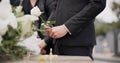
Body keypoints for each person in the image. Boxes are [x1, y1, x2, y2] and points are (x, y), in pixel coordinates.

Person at [40, 0, 106, 60]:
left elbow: (98, 3)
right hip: (58, 44)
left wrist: (67, 27)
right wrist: (47, 26)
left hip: (78, 43)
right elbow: (56, 7)